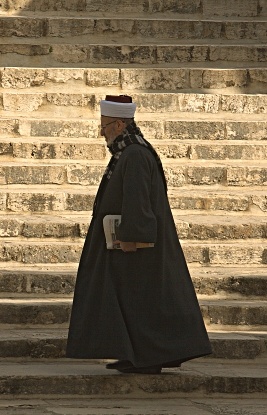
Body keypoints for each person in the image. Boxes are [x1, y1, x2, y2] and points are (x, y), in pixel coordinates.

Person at [66, 95, 212, 374]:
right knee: (131, 302)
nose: (102, 132)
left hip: (136, 246)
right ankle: (135, 354)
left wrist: (132, 236)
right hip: (131, 244)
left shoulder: (133, 154)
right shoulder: (131, 151)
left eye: (105, 125)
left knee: (142, 302)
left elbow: (137, 199)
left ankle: (147, 357)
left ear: (120, 125)